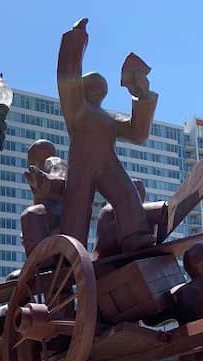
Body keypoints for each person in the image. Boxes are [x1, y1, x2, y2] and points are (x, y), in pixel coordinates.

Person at [57, 18, 157, 254]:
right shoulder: (77, 107)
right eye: (96, 83)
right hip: (82, 164)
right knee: (77, 207)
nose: (102, 86)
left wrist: (141, 93)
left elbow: (137, 132)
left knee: (127, 195)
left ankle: (135, 236)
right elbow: (67, 73)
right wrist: (77, 37)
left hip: (107, 164)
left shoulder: (108, 118)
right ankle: (70, 251)